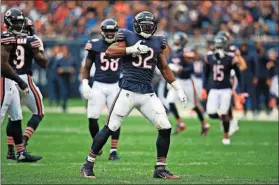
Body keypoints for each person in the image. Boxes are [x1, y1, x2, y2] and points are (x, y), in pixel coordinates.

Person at [80, 11, 188, 179]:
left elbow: (164, 67)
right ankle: (87, 164)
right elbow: (110, 51)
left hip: (147, 93)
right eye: (144, 25)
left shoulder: (158, 41)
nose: (147, 28)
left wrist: (177, 88)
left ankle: (160, 169)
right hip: (127, 91)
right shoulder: (126, 35)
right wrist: (131, 49)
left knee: (165, 127)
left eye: (150, 26)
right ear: (137, 26)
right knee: (111, 127)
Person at [1, 8, 42, 162]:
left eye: (20, 21)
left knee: (16, 117)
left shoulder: (12, 37)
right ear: (8, 23)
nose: (19, 25)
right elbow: (3, 65)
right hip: (4, 80)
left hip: (10, 81)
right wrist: (21, 81)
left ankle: (20, 152)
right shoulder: (6, 37)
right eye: (16, 22)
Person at [81, 19, 122, 160]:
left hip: (115, 86)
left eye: (113, 31)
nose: (110, 33)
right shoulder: (95, 45)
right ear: (102, 31)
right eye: (108, 31)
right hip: (98, 85)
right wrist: (85, 83)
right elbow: (86, 67)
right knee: (92, 118)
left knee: (116, 118)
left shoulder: (122, 44)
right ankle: (97, 146)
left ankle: (113, 151)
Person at [201, 34, 246, 145]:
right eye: (218, 46)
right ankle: (226, 120)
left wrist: (241, 90)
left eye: (221, 46)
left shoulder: (231, 57)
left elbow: (239, 74)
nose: (219, 48)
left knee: (224, 112)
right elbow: (205, 74)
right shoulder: (210, 57)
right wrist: (204, 88)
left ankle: (226, 136)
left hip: (226, 88)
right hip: (213, 89)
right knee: (211, 113)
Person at [166, 32, 210, 136]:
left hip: (188, 82)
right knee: (169, 101)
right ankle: (180, 123)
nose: (175, 42)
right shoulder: (173, 53)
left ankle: (204, 124)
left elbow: (191, 69)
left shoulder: (186, 53)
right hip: (178, 81)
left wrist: (181, 69)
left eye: (177, 40)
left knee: (193, 105)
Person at [56, 45, 76, 112]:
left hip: (68, 78)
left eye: (66, 51)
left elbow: (73, 69)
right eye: (64, 51)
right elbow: (57, 70)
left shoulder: (71, 59)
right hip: (61, 78)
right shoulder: (60, 60)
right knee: (63, 92)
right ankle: (63, 105)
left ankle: (64, 104)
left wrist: (65, 69)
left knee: (67, 92)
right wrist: (66, 69)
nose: (65, 52)